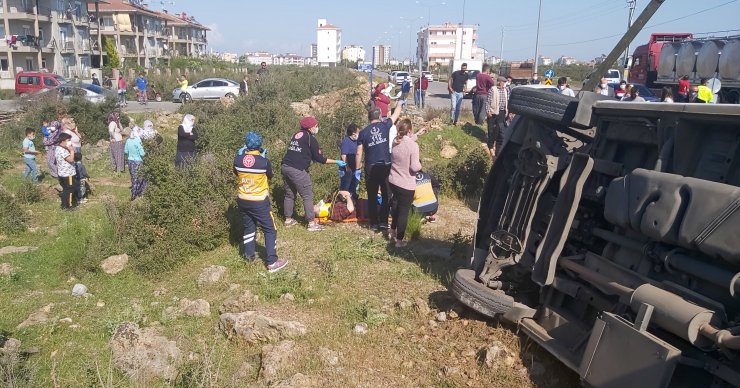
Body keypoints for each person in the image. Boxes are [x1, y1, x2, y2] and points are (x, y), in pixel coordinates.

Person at [235, 131, 288, 272]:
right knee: (270, 229)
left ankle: (248, 256)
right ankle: (272, 262)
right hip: (259, 200)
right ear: (260, 145)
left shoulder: (237, 159)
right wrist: (263, 158)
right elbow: (269, 175)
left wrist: (241, 155)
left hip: (243, 199)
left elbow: (237, 172)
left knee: (249, 226)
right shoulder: (264, 162)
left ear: (246, 144)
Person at [281, 116, 346, 232]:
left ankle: (288, 220)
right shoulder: (311, 139)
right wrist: (336, 162)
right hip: (297, 170)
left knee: (289, 194)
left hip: (285, 166)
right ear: (311, 128)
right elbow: (320, 159)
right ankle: (311, 224)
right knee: (307, 195)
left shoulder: (296, 135)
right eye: (316, 126)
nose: (317, 128)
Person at [355, 102, 404, 232]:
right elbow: (395, 114)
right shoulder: (385, 125)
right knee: (387, 194)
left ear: (368, 118)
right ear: (380, 117)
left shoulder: (363, 133)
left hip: (370, 167)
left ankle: (374, 223)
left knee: (371, 195)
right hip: (385, 166)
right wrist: (400, 103)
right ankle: (383, 221)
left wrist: (357, 168)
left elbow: (359, 152)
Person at [388, 119, 423, 248]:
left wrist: (417, 135)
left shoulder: (395, 141)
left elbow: (406, 142)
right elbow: (414, 167)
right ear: (409, 130)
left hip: (393, 180)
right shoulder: (413, 146)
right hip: (406, 184)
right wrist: (420, 165)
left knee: (396, 207)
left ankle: (392, 231)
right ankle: (399, 240)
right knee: (404, 212)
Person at [62, 116, 87, 202]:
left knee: (79, 165)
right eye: (70, 122)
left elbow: (79, 137)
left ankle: (80, 176)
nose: (73, 124)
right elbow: (67, 142)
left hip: (77, 148)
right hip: (73, 149)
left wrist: (76, 131)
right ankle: (78, 179)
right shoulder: (66, 131)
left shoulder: (73, 131)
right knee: (76, 165)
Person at [485, 76, 510, 160]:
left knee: (500, 132)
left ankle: (497, 152)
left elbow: (508, 101)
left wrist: (508, 112)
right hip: (493, 113)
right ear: (499, 82)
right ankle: (491, 146)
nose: (505, 84)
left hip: (502, 113)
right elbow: (488, 101)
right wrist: (488, 111)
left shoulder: (506, 90)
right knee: (491, 130)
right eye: (504, 82)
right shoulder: (493, 89)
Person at [54, 132, 78, 210]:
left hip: (62, 173)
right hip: (68, 173)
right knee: (70, 189)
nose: (69, 142)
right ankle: (69, 206)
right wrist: (72, 151)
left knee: (65, 189)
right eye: (68, 140)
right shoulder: (62, 150)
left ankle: (64, 205)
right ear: (63, 140)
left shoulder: (58, 148)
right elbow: (70, 159)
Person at [124, 127, 146, 200]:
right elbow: (142, 153)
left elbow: (126, 151)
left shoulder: (128, 141)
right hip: (138, 161)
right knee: (139, 178)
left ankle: (134, 192)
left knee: (133, 177)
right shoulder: (138, 141)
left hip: (130, 161)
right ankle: (137, 193)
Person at [340, 124, 360, 200]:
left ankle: (353, 203)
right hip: (347, 170)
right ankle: (343, 205)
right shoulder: (346, 141)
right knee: (345, 188)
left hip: (355, 169)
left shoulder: (357, 142)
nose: (359, 134)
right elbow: (344, 155)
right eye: (358, 132)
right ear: (353, 133)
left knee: (354, 187)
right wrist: (346, 167)